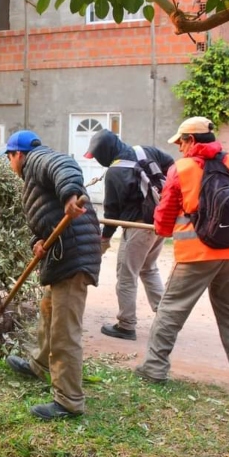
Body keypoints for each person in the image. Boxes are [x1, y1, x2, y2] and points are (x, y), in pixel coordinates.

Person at [134, 117, 229, 399]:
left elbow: (164, 221)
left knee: (170, 310)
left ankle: (154, 368)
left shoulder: (181, 170)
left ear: (191, 140)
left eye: (181, 142)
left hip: (196, 256)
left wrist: (166, 227)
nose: (179, 148)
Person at [3, 130, 102, 420]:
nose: (10, 164)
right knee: (48, 311)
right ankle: (39, 365)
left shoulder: (38, 159)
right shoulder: (33, 177)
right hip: (62, 254)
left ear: (18, 154)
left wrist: (70, 195)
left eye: (9, 158)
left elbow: (64, 165)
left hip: (74, 255)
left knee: (64, 331)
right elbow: (45, 219)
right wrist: (37, 241)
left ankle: (69, 401)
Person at [85, 130, 175, 341]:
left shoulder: (114, 172)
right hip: (159, 222)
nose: (97, 160)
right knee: (148, 268)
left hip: (137, 227)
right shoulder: (146, 151)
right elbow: (172, 166)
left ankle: (126, 325)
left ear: (105, 152)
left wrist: (105, 239)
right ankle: (168, 320)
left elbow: (111, 212)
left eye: (97, 156)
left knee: (126, 275)